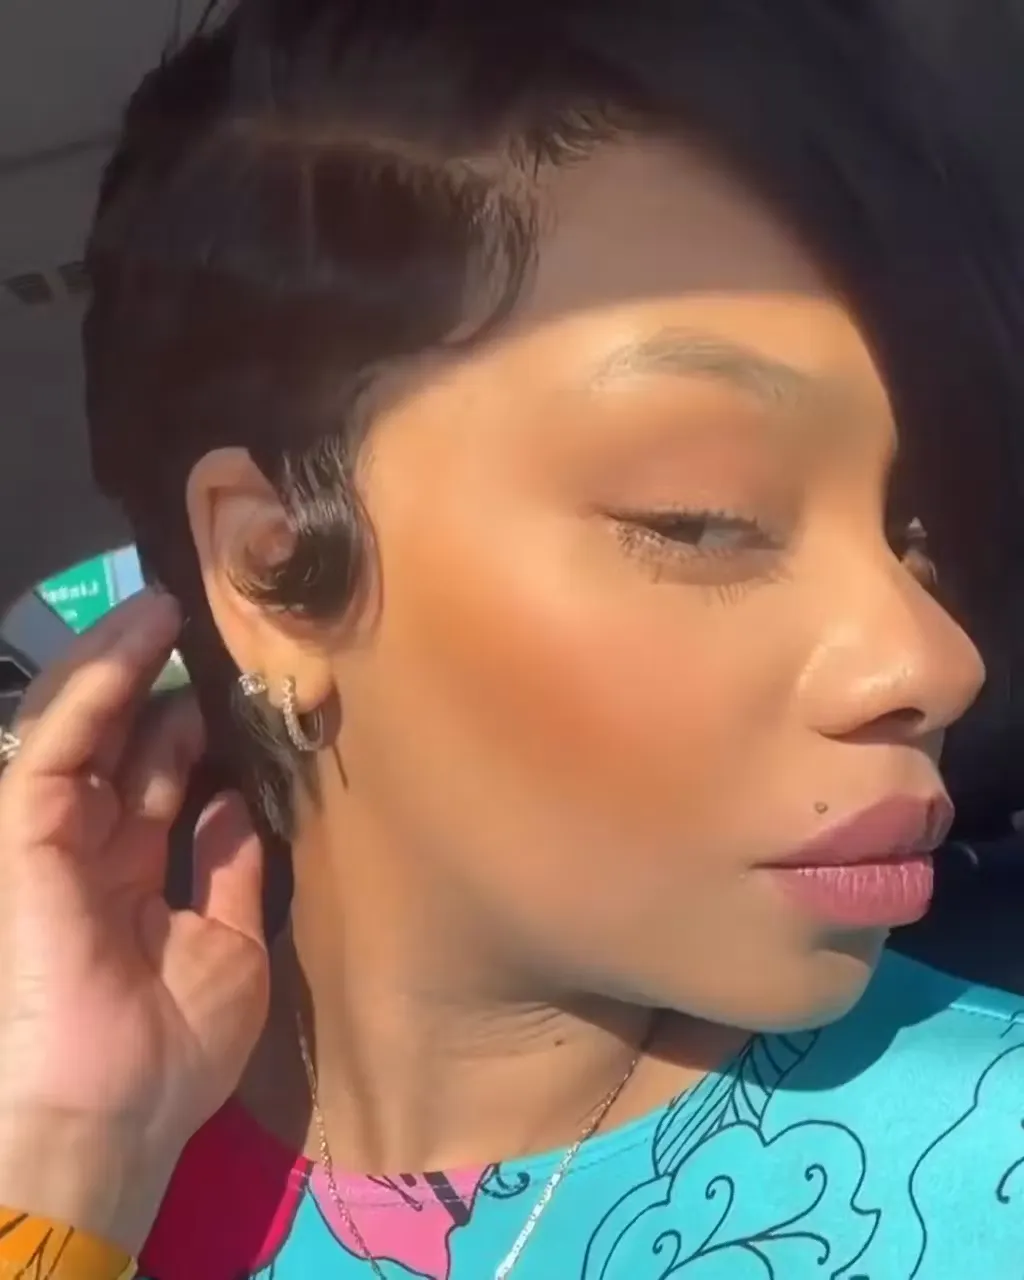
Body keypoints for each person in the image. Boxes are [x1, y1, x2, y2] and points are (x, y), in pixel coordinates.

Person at [1, 2, 1024, 1277]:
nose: (931, 658)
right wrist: (63, 1165)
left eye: (915, 533)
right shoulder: (55, 1147)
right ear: (271, 567)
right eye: (700, 517)